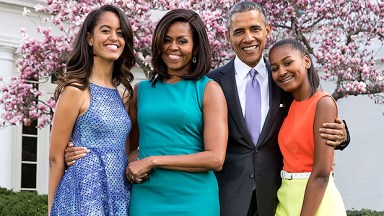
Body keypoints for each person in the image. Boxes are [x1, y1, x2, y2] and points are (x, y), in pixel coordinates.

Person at [207, 2, 350, 216]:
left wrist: (343, 135)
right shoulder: (212, 82)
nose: (248, 38)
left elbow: (311, 109)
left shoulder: (285, 79)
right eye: (239, 32)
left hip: (276, 197)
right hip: (228, 197)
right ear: (228, 37)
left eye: (255, 28)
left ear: (268, 30)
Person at [125, 9, 228, 215]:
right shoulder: (141, 90)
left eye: (182, 41)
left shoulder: (209, 89)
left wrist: (153, 160)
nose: (173, 47)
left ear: (196, 47)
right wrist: (131, 164)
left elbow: (215, 159)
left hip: (195, 199)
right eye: (167, 40)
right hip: (147, 196)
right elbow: (126, 145)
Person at [48, 5, 135, 215]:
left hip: (118, 193)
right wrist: (52, 210)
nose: (114, 37)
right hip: (82, 195)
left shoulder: (124, 95)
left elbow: (126, 151)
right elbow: (55, 158)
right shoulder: (76, 90)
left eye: (120, 33)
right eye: (106, 30)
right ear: (89, 38)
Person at [269, 38, 346, 215]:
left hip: (316, 200)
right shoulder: (289, 107)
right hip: (286, 196)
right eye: (275, 68)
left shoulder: (323, 103)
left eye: (288, 62)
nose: (282, 71)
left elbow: (321, 174)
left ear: (306, 61)